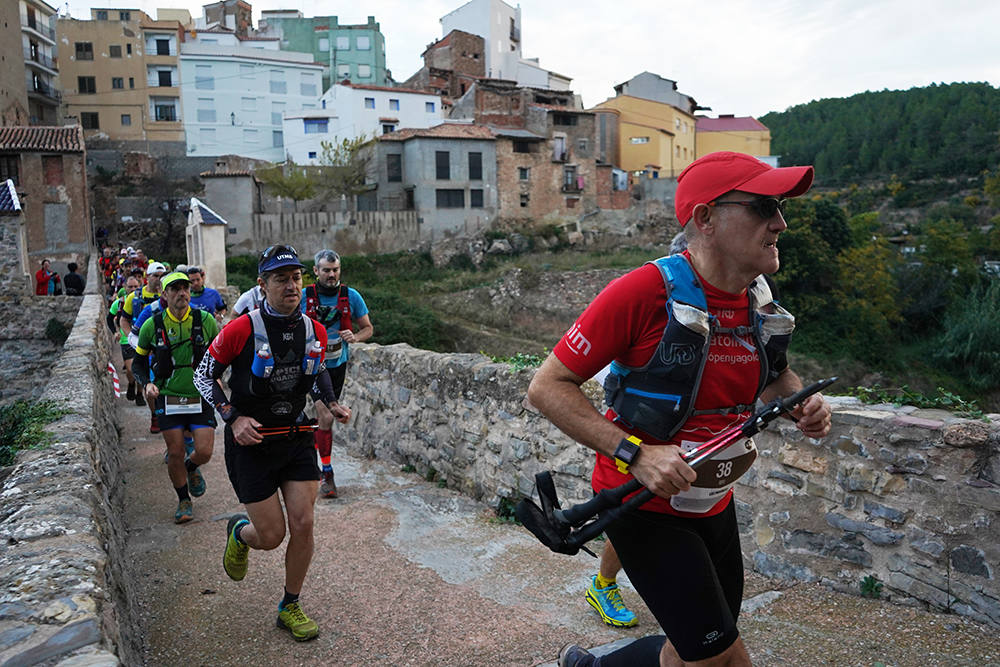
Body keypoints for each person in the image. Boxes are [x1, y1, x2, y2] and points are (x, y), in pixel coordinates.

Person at [526, 151, 833, 667]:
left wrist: (800, 402)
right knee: (722, 658)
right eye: (762, 207)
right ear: (705, 218)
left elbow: (777, 375)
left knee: (692, 651)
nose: (780, 222)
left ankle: (593, 665)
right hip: (641, 506)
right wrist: (637, 453)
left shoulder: (756, 297)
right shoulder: (644, 292)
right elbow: (547, 387)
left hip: (713, 502)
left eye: (779, 207)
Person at [193, 244, 350, 642]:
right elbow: (202, 376)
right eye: (281, 278)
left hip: (295, 438)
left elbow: (316, 372)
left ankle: (290, 604)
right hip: (251, 445)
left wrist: (330, 401)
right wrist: (232, 416)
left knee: (304, 522)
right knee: (271, 536)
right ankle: (241, 534)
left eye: (296, 277)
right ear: (262, 285)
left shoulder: (313, 329)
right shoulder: (241, 329)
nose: (291, 285)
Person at [134, 272, 220, 523]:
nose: (182, 293)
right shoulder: (153, 324)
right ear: (164, 294)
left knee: (203, 451)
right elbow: (139, 363)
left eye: (185, 288)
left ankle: (191, 467)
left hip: (199, 393)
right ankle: (183, 500)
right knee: (175, 451)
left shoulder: (205, 320)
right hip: (168, 395)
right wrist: (147, 382)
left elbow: (219, 354)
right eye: (175, 289)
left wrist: (217, 378)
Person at [302, 249, 372, 498]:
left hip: (336, 365)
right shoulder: (304, 296)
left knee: (323, 419)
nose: (332, 275)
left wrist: (355, 337)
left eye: (335, 270)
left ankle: (310, 446)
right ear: (316, 272)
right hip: (310, 366)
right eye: (327, 270)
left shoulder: (350, 296)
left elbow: (367, 329)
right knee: (326, 415)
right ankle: (328, 474)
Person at [122, 262, 167, 430]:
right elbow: (123, 319)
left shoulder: (170, 296)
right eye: (156, 276)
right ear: (148, 277)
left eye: (162, 276)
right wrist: (132, 340)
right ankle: (155, 414)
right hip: (143, 347)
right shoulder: (135, 297)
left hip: (166, 346)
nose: (159, 279)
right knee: (149, 381)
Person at [110, 275, 142, 400]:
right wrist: (115, 332)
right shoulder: (119, 303)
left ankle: (140, 394)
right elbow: (109, 318)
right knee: (130, 370)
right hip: (126, 339)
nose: (133, 289)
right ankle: (131, 383)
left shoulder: (144, 301)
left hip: (142, 339)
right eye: (130, 287)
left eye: (136, 286)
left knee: (141, 368)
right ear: (125, 287)